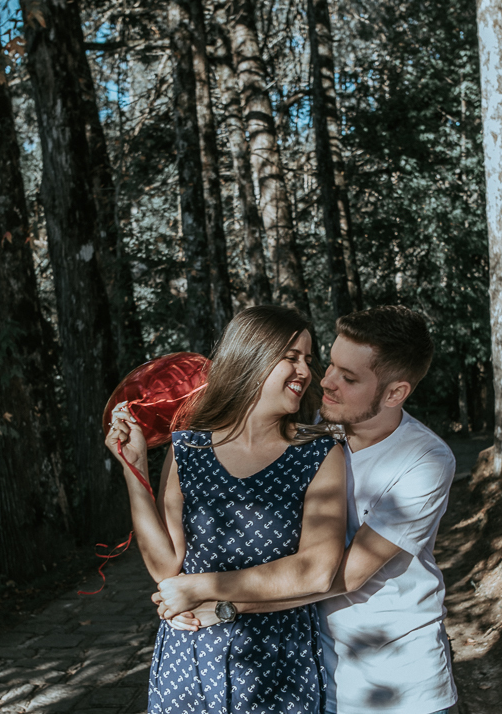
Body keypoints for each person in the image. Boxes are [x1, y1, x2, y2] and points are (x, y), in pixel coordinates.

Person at [157, 306, 458, 714]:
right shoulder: (316, 431)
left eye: (348, 378)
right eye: (330, 364)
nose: (326, 382)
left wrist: (223, 603)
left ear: (394, 393)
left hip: (396, 683)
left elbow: (338, 576)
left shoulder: (424, 460)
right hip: (315, 672)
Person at [105, 305, 347, 714]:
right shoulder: (188, 448)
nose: (305, 371)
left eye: (308, 359)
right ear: (249, 356)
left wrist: (200, 587)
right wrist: (135, 470)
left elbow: (319, 569)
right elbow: (167, 566)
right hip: (190, 654)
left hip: (280, 661)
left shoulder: (319, 452)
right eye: (290, 356)